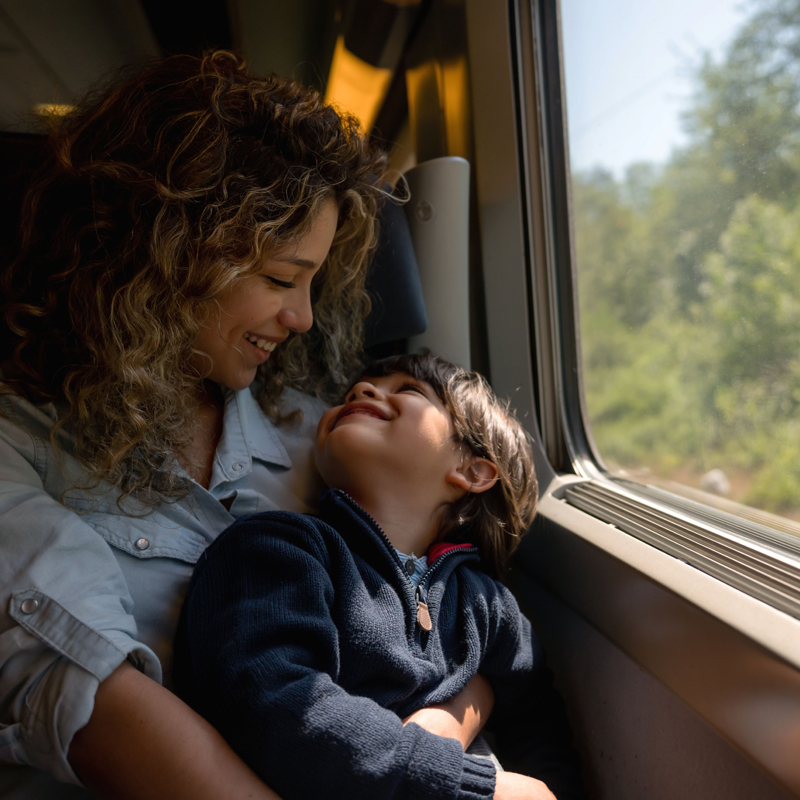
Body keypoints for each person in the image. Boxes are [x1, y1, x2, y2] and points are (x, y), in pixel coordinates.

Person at [0, 52, 496, 800]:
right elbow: (94, 700)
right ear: (161, 255)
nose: (300, 318)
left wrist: (435, 746)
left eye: (311, 282)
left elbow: (455, 614)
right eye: (276, 278)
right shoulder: (18, 442)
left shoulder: (321, 427)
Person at [177, 352, 585, 800]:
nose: (362, 390)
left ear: (473, 470)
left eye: (408, 391)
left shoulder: (486, 606)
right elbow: (277, 709)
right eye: (357, 388)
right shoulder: (277, 550)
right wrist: (476, 788)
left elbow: (538, 724)